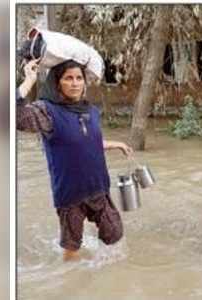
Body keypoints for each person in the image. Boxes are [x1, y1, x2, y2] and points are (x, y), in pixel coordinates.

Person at [17, 58, 133, 261]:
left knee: (115, 234)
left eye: (79, 78)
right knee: (72, 248)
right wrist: (29, 80)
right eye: (68, 78)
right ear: (57, 83)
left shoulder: (91, 111)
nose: (75, 83)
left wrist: (116, 144)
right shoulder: (47, 112)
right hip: (70, 195)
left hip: (98, 188)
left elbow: (86, 141)